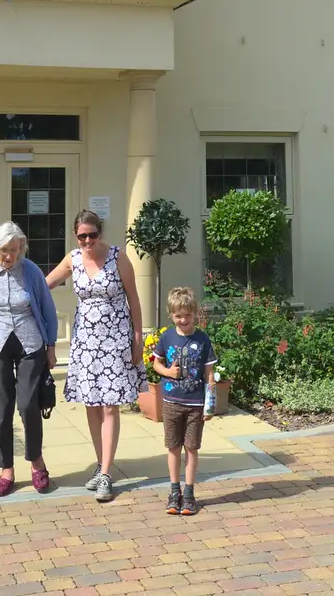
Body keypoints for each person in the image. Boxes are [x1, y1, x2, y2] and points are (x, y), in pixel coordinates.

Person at [44, 209, 144, 503]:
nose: (88, 240)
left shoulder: (118, 257)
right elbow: (42, 285)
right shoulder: (72, 259)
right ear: (76, 236)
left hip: (115, 339)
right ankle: (102, 466)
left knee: (111, 405)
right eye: (82, 236)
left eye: (93, 234)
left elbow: (134, 299)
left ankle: (106, 473)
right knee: (92, 404)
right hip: (86, 342)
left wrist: (138, 337)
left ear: (100, 232)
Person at [0, 222, 60, 497]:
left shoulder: (30, 271)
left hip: (31, 341)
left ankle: (36, 461)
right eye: (5, 250)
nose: (10, 256)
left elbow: (47, 310)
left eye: (15, 250)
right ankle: (6, 468)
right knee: (0, 409)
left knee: (29, 403)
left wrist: (51, 347)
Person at [151, 286, 218, 516]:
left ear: (195, 314)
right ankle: (174, 491)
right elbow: (156, 364)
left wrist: (210, 404)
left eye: (187, 315)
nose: (183, 320)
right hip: (171, 402)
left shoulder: (202, 340)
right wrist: (168, 373)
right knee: (173, 447)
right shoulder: (167, 337)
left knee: (191, 448)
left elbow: (210, 374)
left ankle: (189, 494)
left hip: (195, 405)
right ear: (171, 315)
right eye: (178, 316)